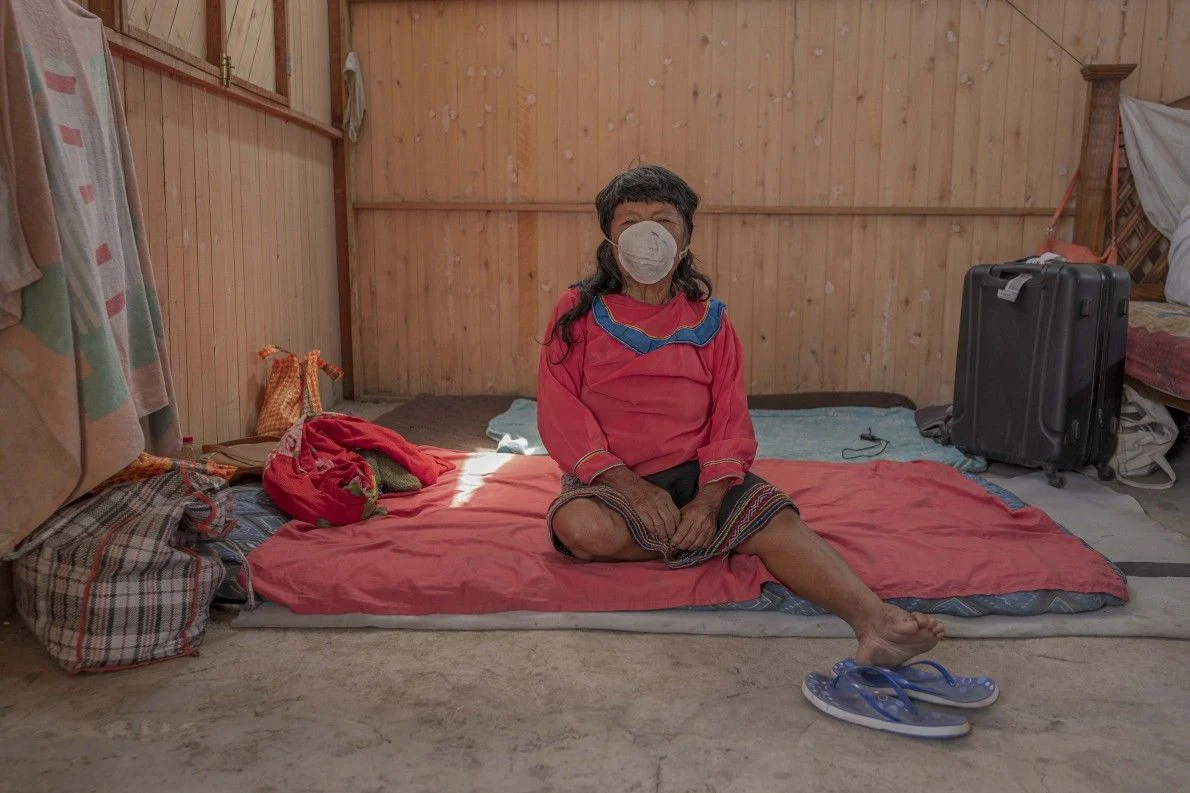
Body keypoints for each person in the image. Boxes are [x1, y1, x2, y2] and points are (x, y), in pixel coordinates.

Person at [537, 165, 944, 667]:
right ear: (610, 240)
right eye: (631, 223)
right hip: (610, 479)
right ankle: (722, 539)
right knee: (580, 528)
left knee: (782, 524)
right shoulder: (577, 310)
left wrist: (708, 504)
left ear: (684, 240)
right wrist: (633, 489)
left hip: (697, 476)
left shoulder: (710, 320)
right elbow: (559, 409)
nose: (648, 235)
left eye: (663, 221)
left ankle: (875, 623)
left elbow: (730, 417)